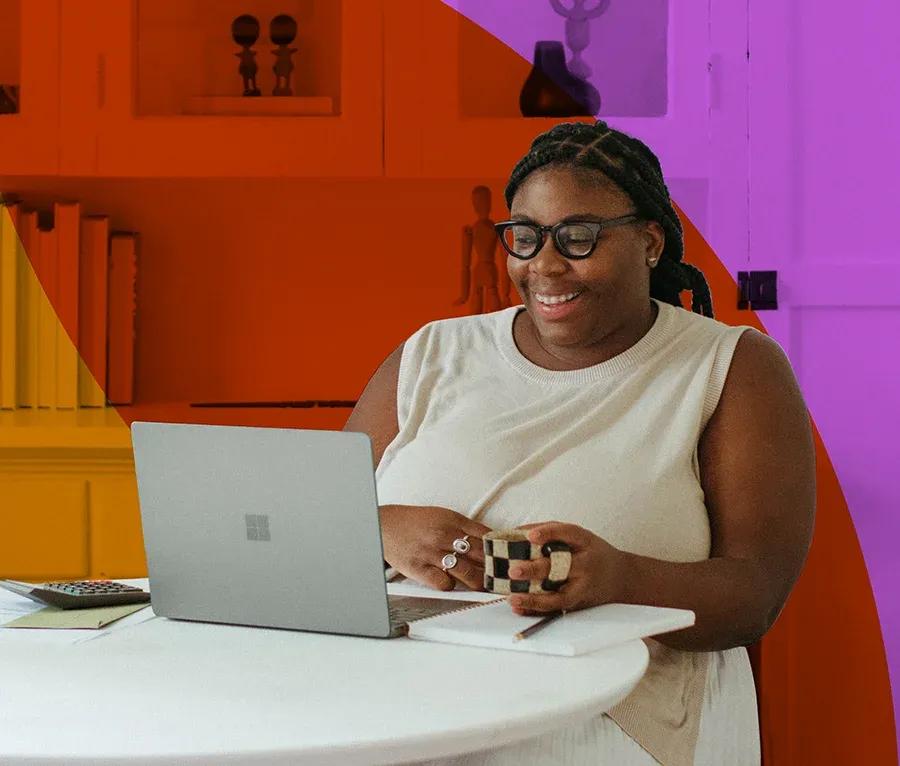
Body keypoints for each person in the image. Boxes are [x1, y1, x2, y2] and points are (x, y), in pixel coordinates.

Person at [344, 120, 816, 765]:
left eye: (578, 236)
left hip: (606, 719)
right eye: (525, 237)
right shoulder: (431, 353)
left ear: (649, 241)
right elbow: (313, 526)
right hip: (398, 702)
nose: (544, 264)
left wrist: (617, 577)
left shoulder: (730, 367)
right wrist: (381, 525)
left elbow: (754, 597)